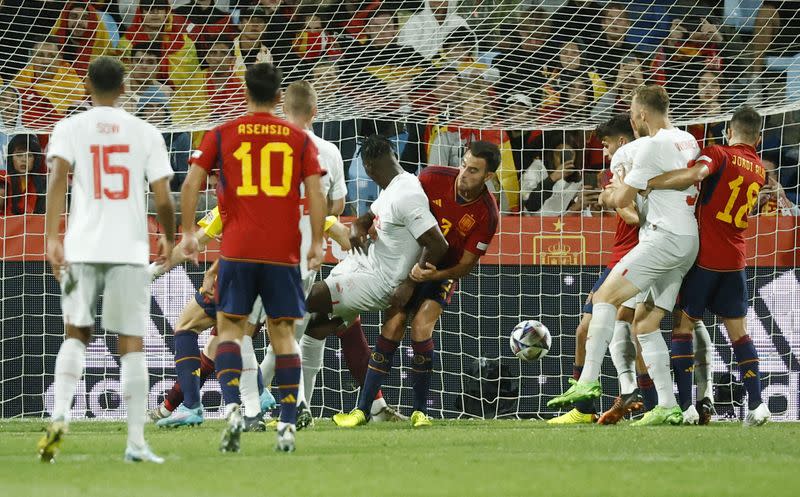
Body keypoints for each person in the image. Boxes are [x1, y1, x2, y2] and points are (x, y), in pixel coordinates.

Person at [179, 62, 326, 453]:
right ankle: (288, 425)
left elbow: (192, 182)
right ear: (280, 98)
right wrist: (314, 246)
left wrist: (189, 232)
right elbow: (315, 192)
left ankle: (231, 408)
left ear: (245, 93)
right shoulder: (298, 138)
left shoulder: (222, 134)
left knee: (229, 330)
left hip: (238, 250)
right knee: (282, 335)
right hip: (282, 253)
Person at [38, 56, 176, 463]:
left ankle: (59, 417)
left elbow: (57, 178)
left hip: (81, 246)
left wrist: (51, 237)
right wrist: (168, 237)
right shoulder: (146, 131)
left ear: (86, 86)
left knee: (75, 333)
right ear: (124, 88)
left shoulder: (69, 128)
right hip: (129, 249)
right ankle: (135, 443)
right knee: (132, 343)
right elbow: (164, 197)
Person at [548, 85, 701, 426]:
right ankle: (666, 404)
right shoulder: (688, 139)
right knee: (645, 324)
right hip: (688, 239)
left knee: (605, 297)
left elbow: (621, 201)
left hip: (663, 238)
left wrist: (606, 196)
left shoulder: (648, 147)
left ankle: (587, 380)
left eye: (632, 114)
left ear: (642, 115)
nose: (632, 120)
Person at [332, 141, 500, 428]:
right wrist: (361, 225)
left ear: (488, 177)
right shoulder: (432, 177)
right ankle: (362, 410)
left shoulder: (487, 214)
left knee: (421, 327)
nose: (463, 174)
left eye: (473, 171)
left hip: (441, 273)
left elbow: (465, 267)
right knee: (392, 327)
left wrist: (428, 276)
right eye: (463, 164)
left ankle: (420, 411)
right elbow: (389, 203)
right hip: (408, 265)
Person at [301, 134, 449, 424]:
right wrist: (358, 226)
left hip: (380, 282)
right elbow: (369, 217)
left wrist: (409, 283)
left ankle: (261, 393)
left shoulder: (408, 196)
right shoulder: (394, 186)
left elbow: (439, 245)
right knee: (317, 327)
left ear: (367, 166)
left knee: (298, 302)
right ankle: (308, 409)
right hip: (363, 266)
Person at [646, 106, 771, 426]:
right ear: (757, 138)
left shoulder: (719, 153)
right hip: (735, 261)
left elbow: (695, 175)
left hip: (704, 260)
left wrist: (653, 182)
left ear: (730, 132)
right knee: (739, 334)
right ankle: (758, 404)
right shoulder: (759, 169)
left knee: (683, 327)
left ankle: (687, 406)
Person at [547, 114, 648, 424]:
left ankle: (646, 399)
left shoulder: (627, 170)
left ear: (621, 142)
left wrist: (613, 199)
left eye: (606, 145)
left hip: (633, 258)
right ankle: (599, 403)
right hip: (622, 256)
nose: (604, 153)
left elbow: (633, 217)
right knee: (609, 330)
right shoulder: (628, 170)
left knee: (639, 331)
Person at [258, 80, 347, 428]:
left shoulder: (266, 145)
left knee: (277, 335)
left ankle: (279, 404)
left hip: (261, 250)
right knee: (287, 335)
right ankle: (263, 401)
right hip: (304, 254)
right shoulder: (329, 150)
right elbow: (337, 204)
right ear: (314, 111)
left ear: (283, 109)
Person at [4, 134, 46, 214]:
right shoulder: (3, 181)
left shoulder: (44, 184)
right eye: (19, 155)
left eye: (29, 155)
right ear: (11, 158)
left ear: (35, 159)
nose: (24, 160)